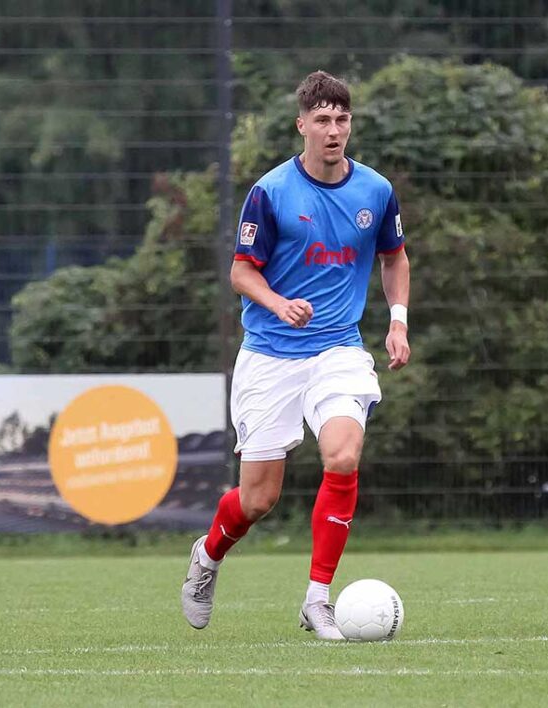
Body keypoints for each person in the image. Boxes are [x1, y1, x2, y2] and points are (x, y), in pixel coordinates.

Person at [181, 71, 411, 640]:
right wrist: (278, 302)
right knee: (258, 499)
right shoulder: (272, 191)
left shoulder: (375, 191)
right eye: (323, 121)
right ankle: (208, 556)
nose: (334, 131)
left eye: (343, 120)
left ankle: (317, 599)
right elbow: (240, 272)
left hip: (338, 348)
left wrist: (398, 322)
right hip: (270, 355)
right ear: (302, 124)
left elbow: (394, 257)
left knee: (342, 455)